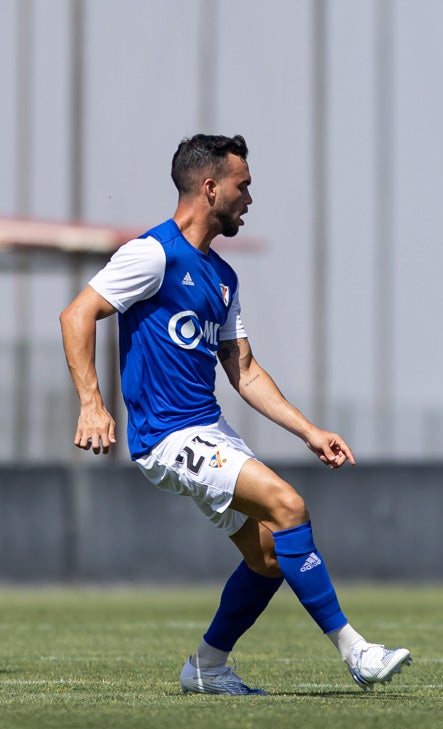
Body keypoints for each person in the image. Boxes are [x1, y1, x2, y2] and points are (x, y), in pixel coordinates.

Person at [59, 134, 412, 695]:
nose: (249, 198)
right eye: (242, 186)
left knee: (270, 556)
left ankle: (207, 666)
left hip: (207, 430)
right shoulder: (153, 254)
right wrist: (91, 404)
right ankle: (356, 651)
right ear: (210, 186)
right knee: (288, 505)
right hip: (168, 436)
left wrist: (309, 431)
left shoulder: (223, 278)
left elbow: (244, 371)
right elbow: (77, 315)